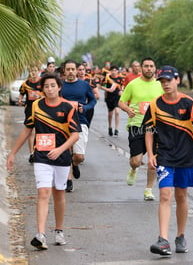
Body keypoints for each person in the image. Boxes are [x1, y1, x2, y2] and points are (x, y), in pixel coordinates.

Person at [143, 65, 193, 256]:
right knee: (165, 194)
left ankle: (180, 236)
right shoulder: (155, 104)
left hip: (186, 155)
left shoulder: (188, 103)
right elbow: (149, 131)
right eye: (162, 81)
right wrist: (150, 154)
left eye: (168, 80)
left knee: (181, 195)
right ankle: (163, 239)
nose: (165, 84)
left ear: (177, 80)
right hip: (164, 155)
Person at [7, 73, 82, 250]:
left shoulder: (68, 107)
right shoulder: (36, 106)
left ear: (59, 87)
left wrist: (60, 149)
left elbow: (75, 135)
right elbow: (27, 130)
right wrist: (12, 153)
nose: (49, 89)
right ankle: (40, 234)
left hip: (62, 158)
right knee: (43, 192)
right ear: (42, 89)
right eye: (46, 86)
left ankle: (59, 230)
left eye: (52, 86)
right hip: (41, 156)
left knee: (59, 194)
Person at [117, 57, 163, 201]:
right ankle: (133, 169)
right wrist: (127, 110)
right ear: (141, 68)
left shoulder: (160, 84)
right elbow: (121, 102)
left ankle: (148, 190)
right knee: (136, 160)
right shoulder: (133, 84)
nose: (149, 68)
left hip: (155, 127)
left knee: (153, 159)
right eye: (146, 66)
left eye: (151, 66)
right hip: (136, 125)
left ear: (155, 68)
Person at [61, 60, 96, 192]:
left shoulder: (84, 85)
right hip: (63, 122)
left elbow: (93, 100)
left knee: (79, 156)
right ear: (64, 71)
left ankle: (75, 163)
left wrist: (85, 108)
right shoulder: (60, 86)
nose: (70, 71)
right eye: (68, 69)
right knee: (66, 152)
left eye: (72, 69)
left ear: (77, 71)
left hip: (80, 121)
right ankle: (68, 180)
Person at [18, 65, 43, 163]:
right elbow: (21, 93)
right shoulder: (26, 83)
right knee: (31, 131)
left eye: (35, 70)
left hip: (41, 109)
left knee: (39, 130)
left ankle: (39, 151)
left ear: (38, 71)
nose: (33, 73)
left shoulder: (42, 82)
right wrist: (20, 100)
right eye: (31, 71)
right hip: (29, 109)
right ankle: (32, 153)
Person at [100, 65, 124, 137]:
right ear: (110, 71)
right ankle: (110, 127)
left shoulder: (120, 78)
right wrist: (108, 90)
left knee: (117, 112)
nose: (114, 72)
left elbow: (123, 86)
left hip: (117, 97)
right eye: (112, 70)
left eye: (115, 70)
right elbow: (100, 86)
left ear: (117, 71)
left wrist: (121, 91)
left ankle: (116, 129)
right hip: (109, 97)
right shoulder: (107, 78)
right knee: (110, 114)